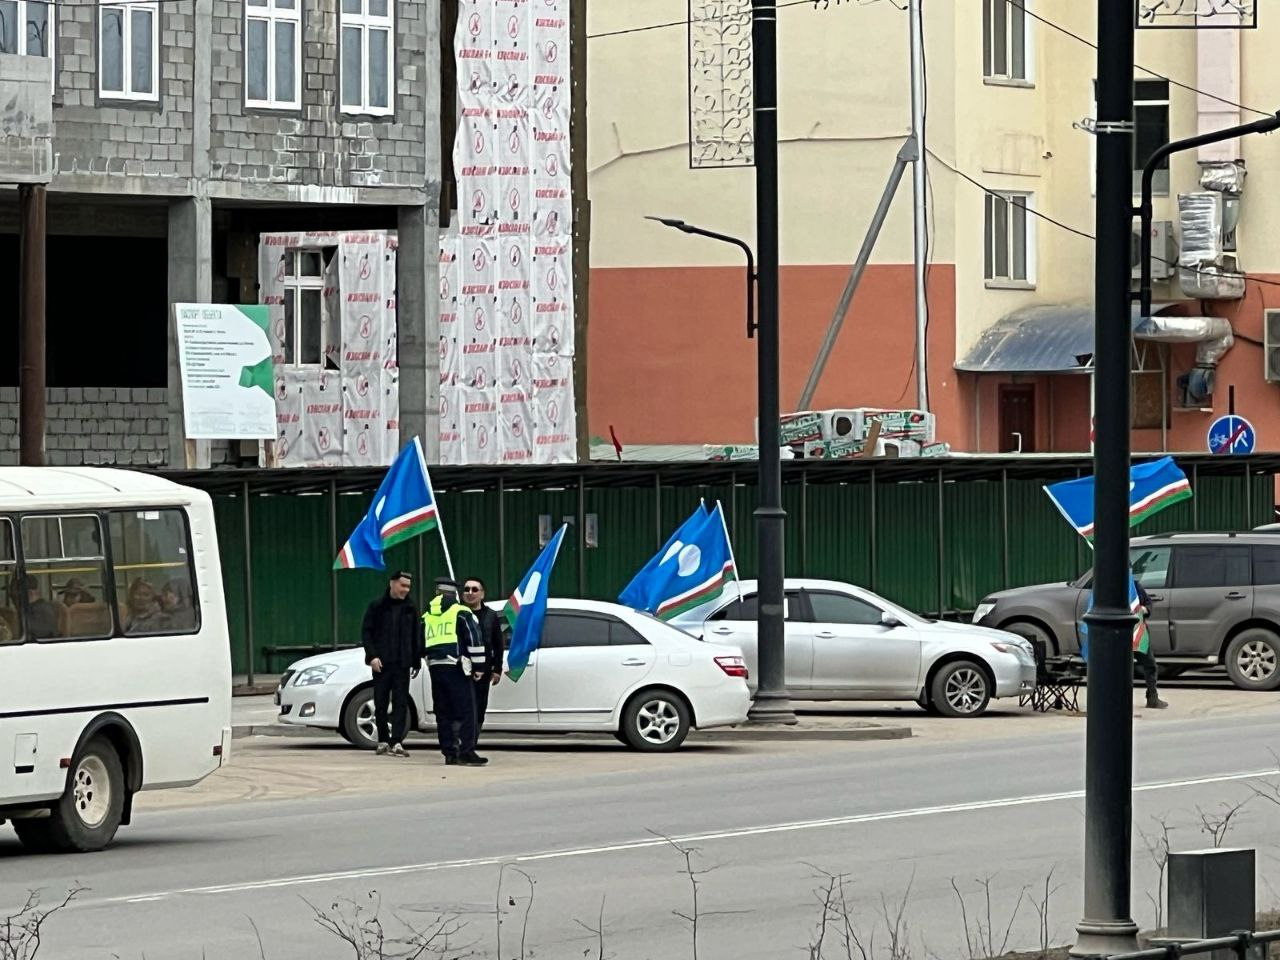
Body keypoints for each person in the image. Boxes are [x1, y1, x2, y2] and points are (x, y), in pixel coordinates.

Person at [422, 577, 487, 767]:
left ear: (437, 593)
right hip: (457, 668)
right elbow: (474, 640)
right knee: (468, 711)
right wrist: (479, 667)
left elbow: (419, 642)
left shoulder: (427, 615)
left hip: (435, 668)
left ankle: (449, 753)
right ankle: (467, 752)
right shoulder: (461, 612)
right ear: (454, 593)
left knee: (444, 713)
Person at [360, 570, 422, 757]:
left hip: (402, 663)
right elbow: (367, 633)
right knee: (380, 702)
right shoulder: (377, 606)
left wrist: (416, 660)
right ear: (392, 583)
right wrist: (372, 656)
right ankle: (382, 740)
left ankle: (397, 741)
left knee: (401, 703)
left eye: (408, 586)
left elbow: (416, 635)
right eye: (402, 585)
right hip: (382, 663)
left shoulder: (410, 607)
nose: (406, 589)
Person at [462, 577, 505, 740]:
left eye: (474, 589)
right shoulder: (459, 614)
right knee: (462, 708)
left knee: (479, 708)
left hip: (484, 671)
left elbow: (498, 644)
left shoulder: (491, 616)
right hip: (461, 671)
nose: (470, 593)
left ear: (482, 594)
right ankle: (462, 743)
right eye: (466, 589)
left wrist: (497, 669)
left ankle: (472, 742)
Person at [1133, 580, 1168, 710]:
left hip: (1138, 632)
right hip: (1120, 634)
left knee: (1150, 665)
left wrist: (1145, 609)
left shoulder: (1135, 586)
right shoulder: (1113, 585)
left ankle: (1152, 697)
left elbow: (1148, 603)